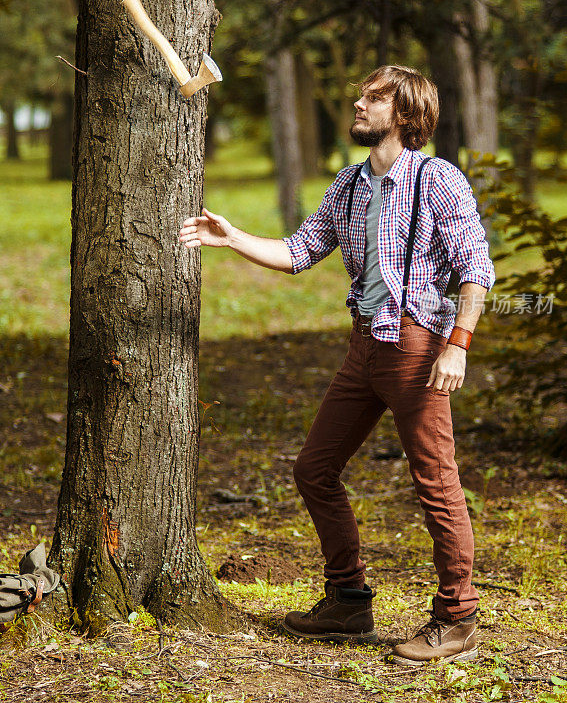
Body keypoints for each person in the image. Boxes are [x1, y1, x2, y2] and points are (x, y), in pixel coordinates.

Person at [179, 64, 495, 666]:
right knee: (314, 469)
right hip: (363, 350)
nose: (358, 103)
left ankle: (458, 618)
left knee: (436, 484)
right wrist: (233, 236)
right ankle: (349, 599)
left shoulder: (438, 179)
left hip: (416, 348)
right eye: (361, 94)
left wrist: (457, 344)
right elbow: (300, 251)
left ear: (403, 115)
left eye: (373, 98)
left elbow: (476, 270)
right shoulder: (349, 185)